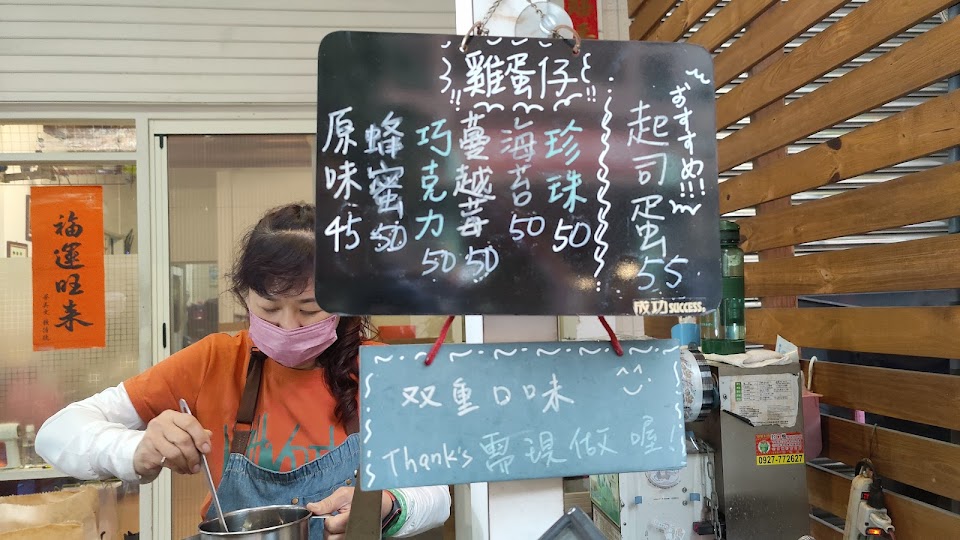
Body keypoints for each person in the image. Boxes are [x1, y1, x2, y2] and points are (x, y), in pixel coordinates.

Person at [36, 203, 450, 539]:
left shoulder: (382, 370)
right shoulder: (214, 360)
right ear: (244, 297)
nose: (288, 326)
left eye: (309, 310)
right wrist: (133, 449)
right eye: (269, 309)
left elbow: (436, 495)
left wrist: (388, 507)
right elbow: (56, 433)